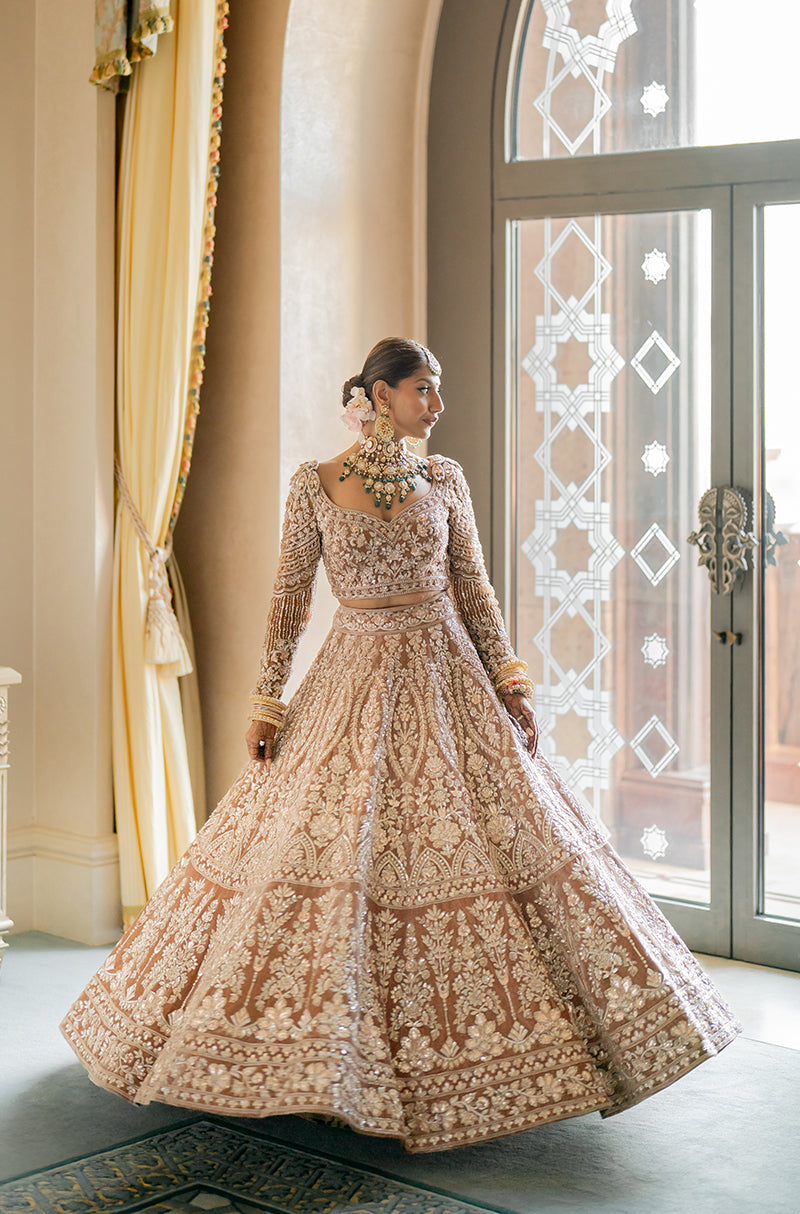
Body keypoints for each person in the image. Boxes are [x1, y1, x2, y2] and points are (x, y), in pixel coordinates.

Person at [62, 337, 740, 1153]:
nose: (438, 404)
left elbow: (476, 592)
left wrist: (513, 685)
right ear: (381, 396)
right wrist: (268, 705)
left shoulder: (443, 479)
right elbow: (287, 603)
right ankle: (311, 1060)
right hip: (348, 678)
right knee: (317, 856)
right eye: (425, 389)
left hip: (447, 674)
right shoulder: (314, 486)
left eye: (438, 388)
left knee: (486, 846)